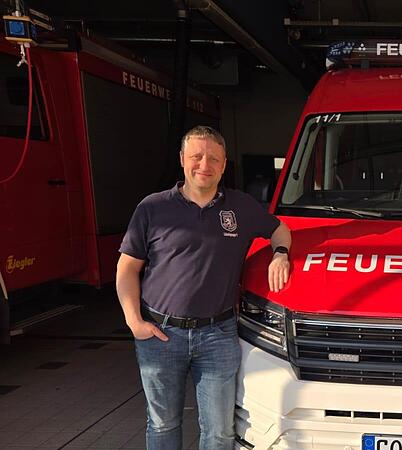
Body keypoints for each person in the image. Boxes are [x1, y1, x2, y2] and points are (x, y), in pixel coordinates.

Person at [116, 126, 292, 450]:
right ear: (183, 160)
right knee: (163, 424)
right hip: (160, 334)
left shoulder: (241, 207)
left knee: (220, 432)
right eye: (196, 156)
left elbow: (280, 229)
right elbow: (127, 268)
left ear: (224, 165)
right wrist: (133, 321)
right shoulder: (153, 208)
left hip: (218, 336)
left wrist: (280, 255)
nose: (204, 164)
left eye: (213, 158)